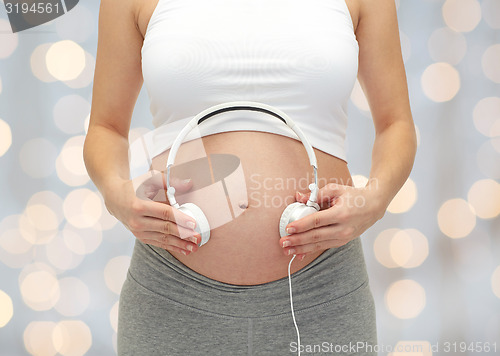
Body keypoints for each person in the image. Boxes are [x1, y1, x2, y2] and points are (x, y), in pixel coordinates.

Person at [84, 0, 416, 354]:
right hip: (171, 291)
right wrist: (116, 193)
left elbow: (396, 124)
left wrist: (376, 199)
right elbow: (107, 128)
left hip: (323, 289)